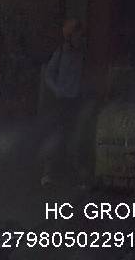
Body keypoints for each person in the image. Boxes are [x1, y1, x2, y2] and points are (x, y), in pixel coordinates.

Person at [40, 19, 85, 187]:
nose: (80, 38)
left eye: (80, 35)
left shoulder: (81, 53)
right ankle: (47, 172)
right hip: (61, 100)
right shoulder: (60, 53)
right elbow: (48, 74)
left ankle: (74, 171)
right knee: (56, 136)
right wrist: (56, 89)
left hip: (75, 100)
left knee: (75, 136)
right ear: (69, 36)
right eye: (77, 34)